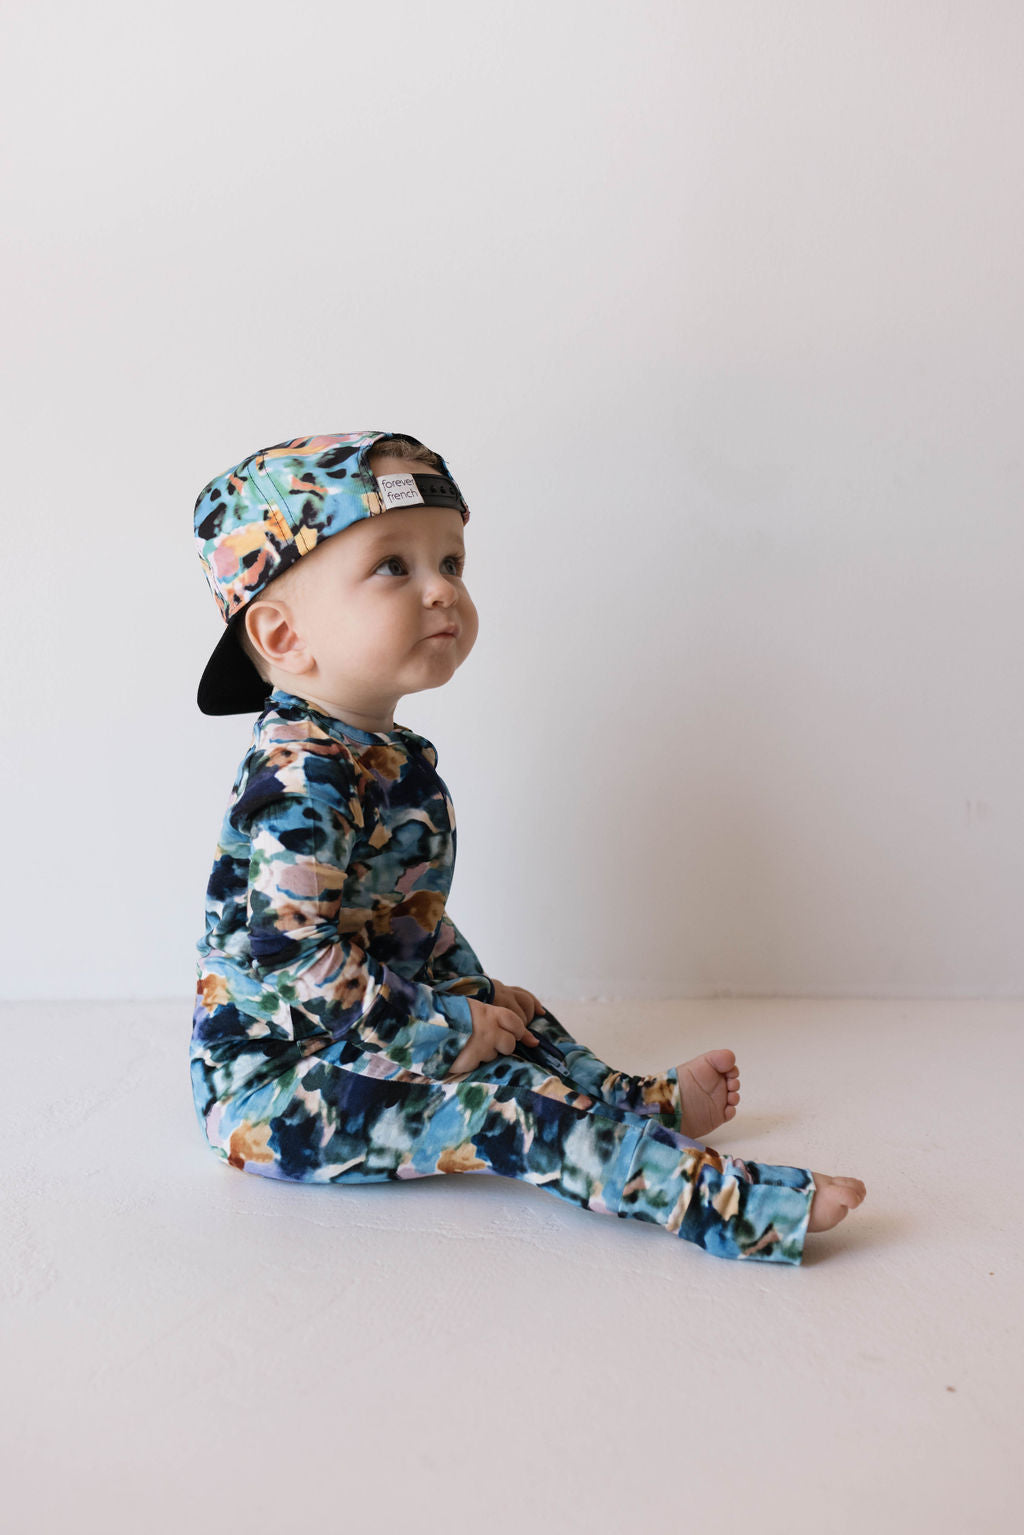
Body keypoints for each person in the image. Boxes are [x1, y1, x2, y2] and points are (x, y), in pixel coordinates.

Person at [190, 429, 866, 1265]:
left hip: (366, 1029)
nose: (442, 590)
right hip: (277, 1082)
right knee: (501, 1104)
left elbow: (408, 926)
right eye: (394, 567)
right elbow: (297, 965)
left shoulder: (381, 756)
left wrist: (475, 1002)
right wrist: (444, 1032)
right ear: (285, 636)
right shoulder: (300, 780)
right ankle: (729, 1204)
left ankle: (635, 1105)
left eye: (453, 564)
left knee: (516, 1014)